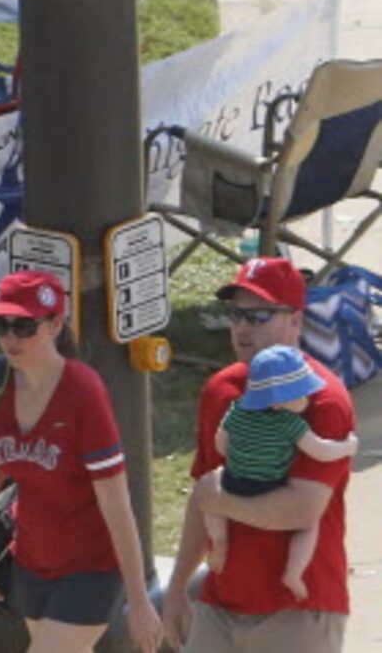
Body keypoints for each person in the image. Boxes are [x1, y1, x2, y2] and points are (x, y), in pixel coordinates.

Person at [0, 268, 163, 651]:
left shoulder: (82, 392)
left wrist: (138, 601)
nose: (10, 338)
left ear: (54, 325)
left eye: (24, 326)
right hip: (30, 564)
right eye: (2, 325)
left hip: (91, 570)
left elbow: (116, 502)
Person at [163, 256, 355, 651]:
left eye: (260, 315)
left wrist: (216, 497)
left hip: (298, 610)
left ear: (295, 321)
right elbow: (202, 503)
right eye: (236, 315)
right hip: (220, 604)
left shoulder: (323, 401)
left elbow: (301, 510)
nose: (243, 328)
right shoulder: (222, 390)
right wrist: (178, 588)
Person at [194, 343, 356, 600]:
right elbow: (320, 451)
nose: (307, 398)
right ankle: (293, 572)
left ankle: (220, 539)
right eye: (301, 394)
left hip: (235, 479)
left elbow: (220, 443)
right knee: (310, 525)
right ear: (279, 401)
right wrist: (347, 447)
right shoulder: (291, 424)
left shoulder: (237, 411)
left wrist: (237, 458)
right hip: (270, 485)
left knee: (213, 503)